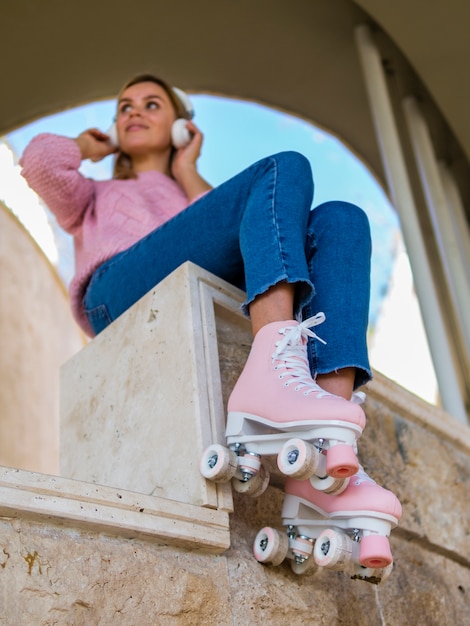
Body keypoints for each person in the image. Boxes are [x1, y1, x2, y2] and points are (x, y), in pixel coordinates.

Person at [20, 73, 401, 576]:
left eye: (151, 104)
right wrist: (92, 145)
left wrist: (187, 169)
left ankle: (325, 456)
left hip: (186, 256)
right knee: (284, 168)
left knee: (341, 219)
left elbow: (257, 221)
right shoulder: (92, 193)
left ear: (180, 126)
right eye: (124, 108)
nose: (134, 112)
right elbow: (39, 162)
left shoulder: (190, 195)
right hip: (115, 290)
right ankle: (271, 368)